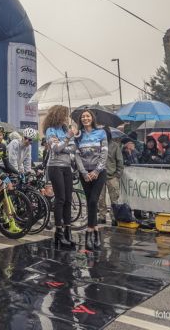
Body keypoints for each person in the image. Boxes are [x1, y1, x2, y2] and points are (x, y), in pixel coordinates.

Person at [43, 106, 81, 248]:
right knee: (60, 199)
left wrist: (64, 142)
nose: (66, 118)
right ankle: (58, 232)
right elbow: (55, 148)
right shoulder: (50, 130)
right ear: (58, 115)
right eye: (64, 115)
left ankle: (67, 231)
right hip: (54, 167)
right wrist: (67, 139)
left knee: (68, 200)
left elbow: (72, 148)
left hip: (67, 167)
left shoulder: (65, 129)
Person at [75, 109, 108, 250]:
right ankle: (94, 232)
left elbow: (104, 153)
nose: (85, 118)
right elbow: (76, 156)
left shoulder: (101, 132)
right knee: (90, 202)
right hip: (84, 174)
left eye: (87, 116)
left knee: (94, 200)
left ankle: (90, 230)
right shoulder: (78, 135)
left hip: (99, 172)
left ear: (92, 118)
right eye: (83, 116)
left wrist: (96, 171)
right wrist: (83, 172)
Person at [98, 128, 124, 225]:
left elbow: (120, 161)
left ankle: (114, 218)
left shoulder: (115, 146)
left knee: (114, 198)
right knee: (100, 198)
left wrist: (118, 174)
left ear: (109, 135)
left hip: (112, 176)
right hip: (100, 175)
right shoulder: (98, 145)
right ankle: (102, 216)